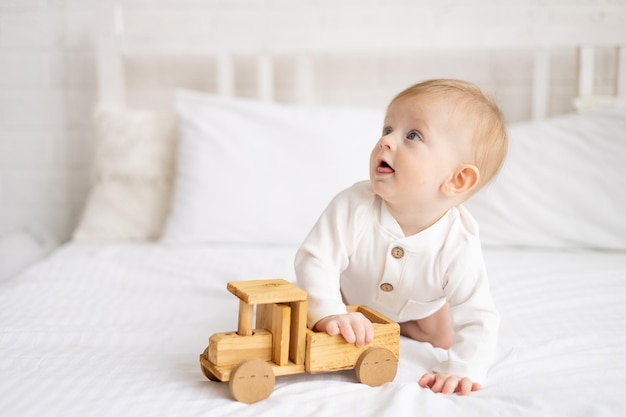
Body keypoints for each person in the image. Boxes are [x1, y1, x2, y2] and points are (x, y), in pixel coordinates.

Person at [295, 79, 507, 396]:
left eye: (412, 135)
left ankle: (414, 327)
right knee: (311, 319)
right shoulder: (353, 205)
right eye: (387, 129)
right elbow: (316, 259)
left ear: (457, 179)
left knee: (445, 336)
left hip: (423, 308)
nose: (387, 142)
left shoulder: (458, 241)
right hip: (353, 300)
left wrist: (464, 369)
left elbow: (477, 314)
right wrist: (329, 312)